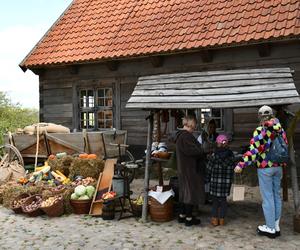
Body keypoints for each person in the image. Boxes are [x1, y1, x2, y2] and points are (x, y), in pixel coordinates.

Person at [234, 105, 288, 238]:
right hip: (279, 166)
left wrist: (241, 164)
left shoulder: (260, 130)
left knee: (268, 198)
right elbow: (285, 145)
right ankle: (275, 225)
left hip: (265, 168)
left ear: (260, 117)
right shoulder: (280, 129)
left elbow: (254, 151)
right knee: (276, 195)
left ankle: (269, 228)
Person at [175, 115, 205, 226]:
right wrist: (202, 150)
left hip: (185, 168)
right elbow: (192, 151)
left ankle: (182, 215)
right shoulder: (185, 136)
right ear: (190, 124)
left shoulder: (181, 136)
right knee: (189, 194)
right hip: (189, 169)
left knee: (184, 193)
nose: (195, 126)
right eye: (194, 124)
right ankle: (188, 218)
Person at [207, 134, 235, 226]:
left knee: (215, 201)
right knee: (223, 201)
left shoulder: (214, 156)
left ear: (217, 144)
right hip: (226, 183)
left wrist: (207, 178)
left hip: (215, 182)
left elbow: (209, 169)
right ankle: (222, 220)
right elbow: (233, 169)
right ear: (227, 144)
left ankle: (215, 220)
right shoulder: (231, 156)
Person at [198, 119, 219, 204]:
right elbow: (198, 149)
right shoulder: (201, 137)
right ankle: (204, 198)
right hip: (204, 161)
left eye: (214, 127)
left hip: (214, 161)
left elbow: (220, 147)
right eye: (210, 127)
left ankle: (212, 198)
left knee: (213, 181)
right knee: (205, 181)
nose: (212, 129)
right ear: (206, 127)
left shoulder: (217, 136)